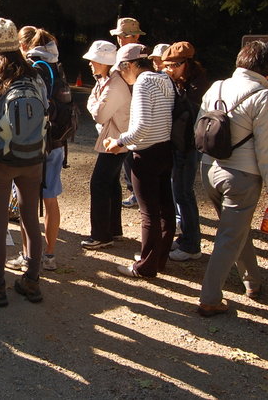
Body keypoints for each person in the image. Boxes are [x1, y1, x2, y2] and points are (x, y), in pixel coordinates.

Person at [196, 41, 268, 317]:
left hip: (209, 169)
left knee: (236, 229)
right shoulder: (262, 94)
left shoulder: (217, 86)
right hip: (242, 175)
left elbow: (201, 127)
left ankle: (253, 283)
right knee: (230, 235)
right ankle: (209, 298)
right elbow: (266, 147)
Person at [0, 18, 48, 307]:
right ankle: (31, 282)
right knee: (31, 218)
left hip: (3, 159)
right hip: (34, 157)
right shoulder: (36, 76)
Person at [104, 43, 175, 278]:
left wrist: (120, 141)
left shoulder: (144, 82)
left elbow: (142, 125)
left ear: (131, 65)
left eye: (122, 70)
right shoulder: (163, 78)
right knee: (165, 209)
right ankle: (158, 260)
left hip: (146, 154)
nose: (122, 75)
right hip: (165, 149)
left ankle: (145, 267)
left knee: (149, 214)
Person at [5, 26, 66, 271]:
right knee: (50, 199)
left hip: (35, 144)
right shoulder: (56, 64)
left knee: (26, 201)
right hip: (58, 142)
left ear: (24, 45)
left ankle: (27, 254)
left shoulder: (30, 66)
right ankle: (49, 256)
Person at [80, 40, 131, 249]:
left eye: (95, 60)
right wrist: (95, 102)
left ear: (105, 62)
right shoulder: (108, 80)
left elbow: (99, 114)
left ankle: (101, 235)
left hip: (116, 141)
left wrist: (93, 104)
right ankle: (113, 229)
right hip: (117, 139)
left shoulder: (115, 84)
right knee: (110, 183)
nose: (91, 63)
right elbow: (94, 101)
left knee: (99, 183)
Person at [161, 41, 208, 262]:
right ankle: (185, 238)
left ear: (186, 64)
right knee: (178, 192)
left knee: (184, 194)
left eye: (174, 65)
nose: (169, 69)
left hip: (188, 147)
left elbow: (186, 113)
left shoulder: (197, 87)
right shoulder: (183, 83)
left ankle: (191, 245)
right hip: (179, 145)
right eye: (167, 65)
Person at [110, 17, 146, 209]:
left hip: (139, 112)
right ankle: (133, 191)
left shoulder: (143, 57)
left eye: (125, 36)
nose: (121, 39)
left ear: (137, 36)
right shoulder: (118, 56)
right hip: (123, 112)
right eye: (119, 36)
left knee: (137, 155)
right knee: (126, 156)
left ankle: (141, 194)